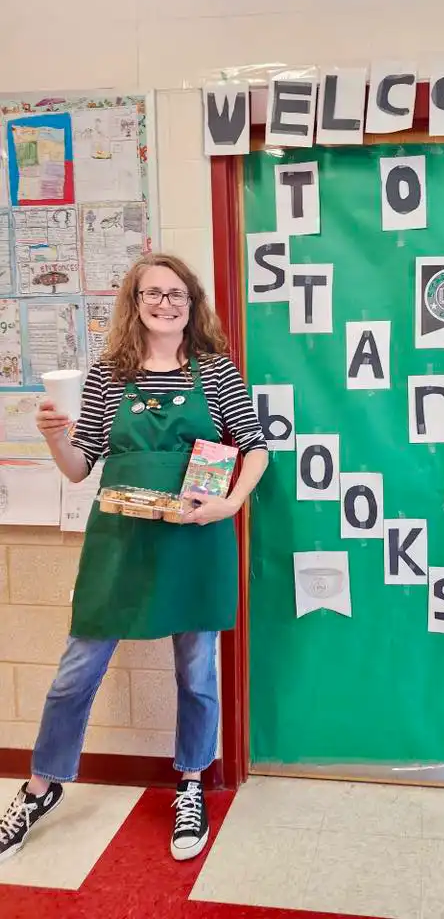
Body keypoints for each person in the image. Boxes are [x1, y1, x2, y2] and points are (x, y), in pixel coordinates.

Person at [0, 253, 268, 864]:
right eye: (153, 293)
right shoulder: (106, 377)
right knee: (75, 674)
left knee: (197, 676)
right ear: (135, 303)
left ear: (191, 302)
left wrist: (229, 506)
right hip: (118, 543)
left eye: (177, 293)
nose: (166, 303)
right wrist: (51, 436)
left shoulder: (218, 373)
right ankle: (40, 787)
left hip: (196, 538)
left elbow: (255, 448)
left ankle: (192, 784)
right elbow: (78, 467)